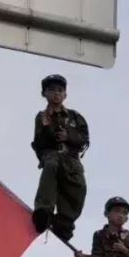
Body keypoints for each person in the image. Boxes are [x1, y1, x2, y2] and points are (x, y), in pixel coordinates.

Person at [31, 73, 89, 241]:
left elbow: (84, 139)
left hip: (71, 158)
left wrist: (68, 136)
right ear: (44, 94)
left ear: (65, 94)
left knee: (78, 188)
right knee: (51, 170)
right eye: (51, 90)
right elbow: (39, 141)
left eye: (60, 90)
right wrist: (49, 129)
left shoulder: (75, 117)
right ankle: (43, 212)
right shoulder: (42, 116)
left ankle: (64, 223)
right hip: (52, 154)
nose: (56, 93)